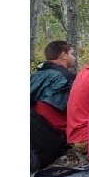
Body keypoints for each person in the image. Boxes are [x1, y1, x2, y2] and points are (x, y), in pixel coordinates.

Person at [30, 40, 76, 169]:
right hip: (49, 133)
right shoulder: (65, 77)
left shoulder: (36, 75)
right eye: (72, 53)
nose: (74, 57)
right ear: (64, 55)